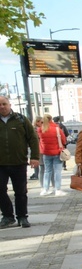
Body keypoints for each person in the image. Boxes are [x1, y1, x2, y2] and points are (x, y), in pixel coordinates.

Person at [0, 96, 39, 228]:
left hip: (19, 163)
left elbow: (33, 139)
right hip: (0, 164)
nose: (2, 107)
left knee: (21, 192)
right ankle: (7, 215)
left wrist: (35, 157)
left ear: (9, 105)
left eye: (4, 104)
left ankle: (22, 217)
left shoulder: (21, 119)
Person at [37, 114, 67, 197]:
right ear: (51, 119)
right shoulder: (57, 129)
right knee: (57, 171)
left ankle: (45, 189)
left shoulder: (40, 129)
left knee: (47, 171)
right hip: (57, 152)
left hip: (46, 153)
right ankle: (57, 189)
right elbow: (64, 140)